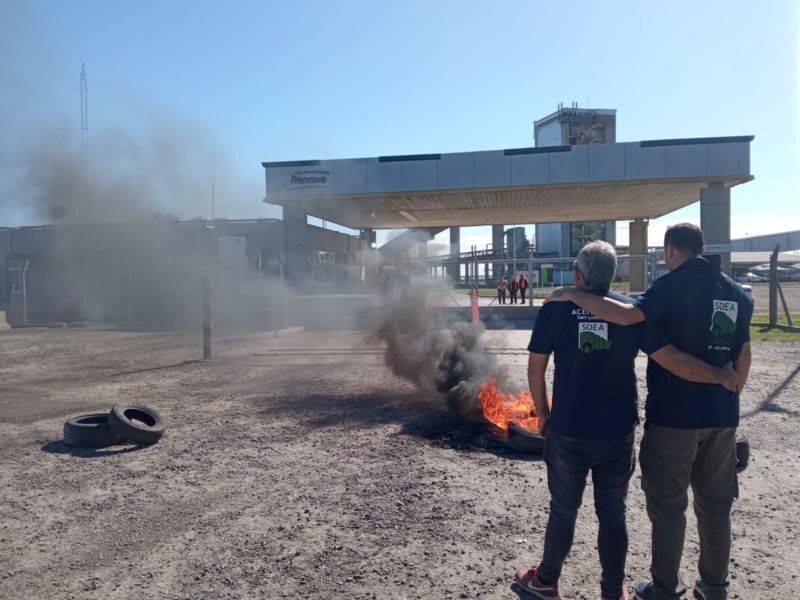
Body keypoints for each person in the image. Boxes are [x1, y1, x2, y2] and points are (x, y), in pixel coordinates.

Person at [515, 240, 738, 600]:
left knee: (562, 508)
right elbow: (670, 358)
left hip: (568, 427)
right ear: (613, 275)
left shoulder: (554, 310)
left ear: (576, 275)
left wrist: (542, 412)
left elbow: (535, 366)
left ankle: (546, 580)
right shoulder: (633, 312)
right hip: (617, 430)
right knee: (613, 512)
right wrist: (721, 375)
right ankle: (612, 590)